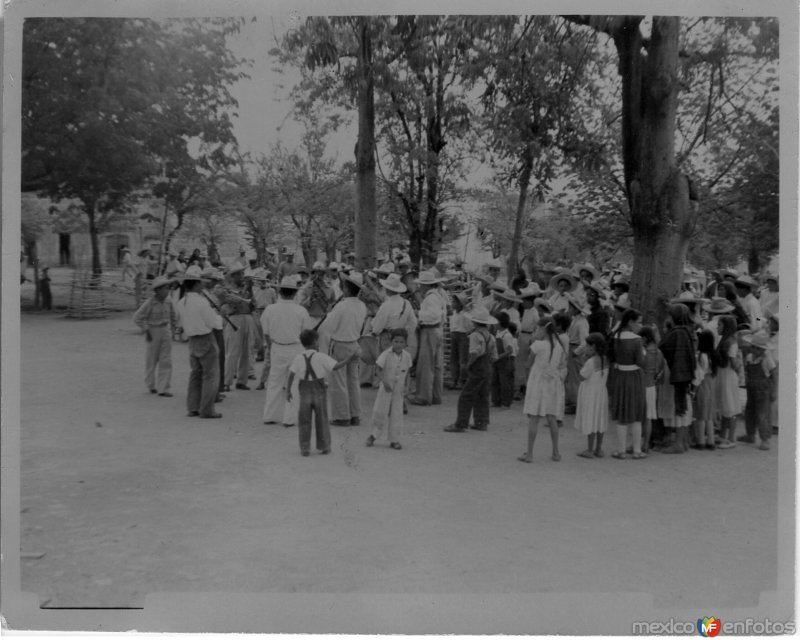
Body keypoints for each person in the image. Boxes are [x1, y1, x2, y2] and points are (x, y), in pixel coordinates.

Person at [287, 329, 358, 457]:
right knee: (322, 419)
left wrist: (288, 391)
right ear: (314, 342)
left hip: (304, 390)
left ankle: (305, 448)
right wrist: (348, 359)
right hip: (319, 390)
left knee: (304, 420)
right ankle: (324, 446)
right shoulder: (321, 356)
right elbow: (336, 367)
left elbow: (291, 374)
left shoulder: (298, 357)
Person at [318, 271, 368, 426]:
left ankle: (341, 416)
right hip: (354, 343)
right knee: (353, 381)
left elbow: (326, 327)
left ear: (346, 288)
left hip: (340, 344)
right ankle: (355, 414)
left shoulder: (341, 306)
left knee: (339, 382)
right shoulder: (362, 306)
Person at [261, 276, 312, 427]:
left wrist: (271, 348)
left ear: (280, 292)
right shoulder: (301, 311)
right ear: (294, 293)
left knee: (274, 382)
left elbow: (265, 331)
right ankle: (289, 418)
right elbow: (306, 332)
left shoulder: (270, 309)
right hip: (295, 348)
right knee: (295, 383)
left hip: (277, 346)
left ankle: (269, 415)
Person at [518, 315, 568, 463]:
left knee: (534, 418)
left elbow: (527, 364)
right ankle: (556, 452)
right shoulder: (558, 346)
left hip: (538, 382)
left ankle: (530, 454)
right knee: (551, 418)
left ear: (542, 329)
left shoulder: (538, 345)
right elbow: (560, 364)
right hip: (552, 383)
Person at [175, 271, 223, 418]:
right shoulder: (202, 302)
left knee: (195, 374)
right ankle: (207, 409)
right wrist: (220, 316)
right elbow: (213, 323)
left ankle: (193, 407)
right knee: (210, 375)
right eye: (200, 282)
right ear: (195, 284)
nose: (202, 284)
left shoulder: (181, 302)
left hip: (192, 340)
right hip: (206, 338)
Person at [443, 307, 498, 433]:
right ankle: (481, 421)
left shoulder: (474, 335)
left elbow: (474, 353)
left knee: (466, 396)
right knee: (482, 395)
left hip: (477, 367)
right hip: (487, 367)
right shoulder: (490, 336)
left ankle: (461, 423)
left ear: (474, 322)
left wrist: (469, 364)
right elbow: (494, 356)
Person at [607, 308, 647, 460]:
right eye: (639, 322)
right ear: (631, 322)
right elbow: (641, 362)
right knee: (636, 414)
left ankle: (620, 450)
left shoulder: (615, 337)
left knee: (622, 413)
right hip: (634, 376)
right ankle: (637, 450)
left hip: (620, 376)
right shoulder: (637, 340)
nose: (640, 325)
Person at [658, 304, 697, 453]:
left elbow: (663, 348)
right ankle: (684, 441)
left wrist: (657, 336)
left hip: (676, 374)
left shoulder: (677, 333)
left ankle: (679, 443)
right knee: (684, 407)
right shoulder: (687, 331)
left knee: (678, 408)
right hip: (684, 375)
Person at [366, 328, 413, 450]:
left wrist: (407, 386)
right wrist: (384, 381)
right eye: (396, 341)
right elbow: (378, 369)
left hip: (399, 389)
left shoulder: (407, 356)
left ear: (405, 343)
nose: (398, 344)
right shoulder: (386, 354)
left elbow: (408, 373)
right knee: (380, 410)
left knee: (397, 413)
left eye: (401, 342)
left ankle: (394, 439)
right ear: (391, 342)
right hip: (386, 387)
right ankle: (373, 435)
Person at [133, 275, 176, 397]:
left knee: (166, 359)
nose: (167, 291)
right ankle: (151, 385)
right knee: (151, 359)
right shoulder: (150, 303)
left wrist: (173, 328)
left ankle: (164, 388)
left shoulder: (169, 301)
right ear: (157, 290)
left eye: (168, 288)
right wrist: (145, 329)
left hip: (165, 330)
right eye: (165, 288)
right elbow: (137, 317)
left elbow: (173, 316)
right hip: (153, 330)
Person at [410, 270, 448, 406]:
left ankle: (423, 396)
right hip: (437, 330)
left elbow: (432, 315)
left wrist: (418, 314)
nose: (420, 287)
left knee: (426, 364)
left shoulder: (430, 298)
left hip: (430, 330)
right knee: (437, 365)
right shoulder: (439, 296)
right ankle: (435, 395)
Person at [575, 333, 610, 459]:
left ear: (593, 346)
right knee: (600, 419)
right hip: (601, 392)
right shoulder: (606, 359)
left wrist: (582, 360)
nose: (586, 348)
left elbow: (581, 376)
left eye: (587, 346)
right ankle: (598, 448)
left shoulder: (590, 362)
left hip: (590, 393)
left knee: (590, 418)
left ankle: (589, 449)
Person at [218, 266, 253, 392]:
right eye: (239, 274)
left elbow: (253, 304)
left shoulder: (246, 289)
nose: (242, 277)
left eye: (242, 274)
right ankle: (226, 382)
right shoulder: (226, 290)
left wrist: (249, 289)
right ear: (232, 277)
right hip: (234, 318)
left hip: (247, 317)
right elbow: (223, 304)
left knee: (246, 352)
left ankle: (242, 381)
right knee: (232, 351)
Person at [739, 333, 776, 450]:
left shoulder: (766, 359)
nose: (754, 349)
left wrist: (774, 390)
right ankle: (750, 435)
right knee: (749, 412)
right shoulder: (750, 357)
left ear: (762, 349)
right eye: (753, 347)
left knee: (762, 414)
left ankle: (765, 439)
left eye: (757, 348)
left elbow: (773, 375)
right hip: (751, 388)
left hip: (763, 389)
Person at [714, 315, 742, 448]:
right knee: (726, 407)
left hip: (728, 377)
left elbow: (734, 363)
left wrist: (738, 364)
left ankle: (731, 439)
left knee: (730, 408)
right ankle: (723, 436)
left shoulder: (731, 343)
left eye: (720, 325)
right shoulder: (724, 340)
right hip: (723, 375)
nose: (717, 327)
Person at [200, 268, 228, 402]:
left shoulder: (212, 293)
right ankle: (212, 392)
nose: (215, 283)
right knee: (212, 363)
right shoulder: (202, 295)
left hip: (218, 326)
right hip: (210, 329)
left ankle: (216, 390)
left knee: (220, 360)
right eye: (213, 280)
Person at [639, 326, 665, 453]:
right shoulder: (658, 352)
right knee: (649, 417)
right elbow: (660, 370)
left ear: (644, 338)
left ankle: (639, 443)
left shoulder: (643, 352)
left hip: (642, 385)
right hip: (652, 385)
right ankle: (646, 444)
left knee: (639, 417)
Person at [692, 329, 718, 450]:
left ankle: (700, 441)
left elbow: (700, 373)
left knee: (701, 414)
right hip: (711, 383)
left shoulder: (701, 355)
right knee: (708, 415)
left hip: (702, 383)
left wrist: (694, 388)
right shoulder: (713, 354)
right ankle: (711, 441)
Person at [491, 311, 517, 408]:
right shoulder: (498, 333)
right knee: (495, 381)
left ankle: (506, 402)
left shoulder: (506, 335)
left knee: (505, 382)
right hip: (497, 361)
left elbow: (509, 351)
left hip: (505, 361)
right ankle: (496, 400)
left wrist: (498, 357)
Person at [447, 293, 472, 390]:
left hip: (463, 336)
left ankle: (463, 380)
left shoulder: (466, 315)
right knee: (453, 359)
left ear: (460, 304)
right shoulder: (454, 314)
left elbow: (470, 327)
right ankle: (455, 380)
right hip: (454, 335)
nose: (452, 303)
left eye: (455, 302)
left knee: (462, 360)